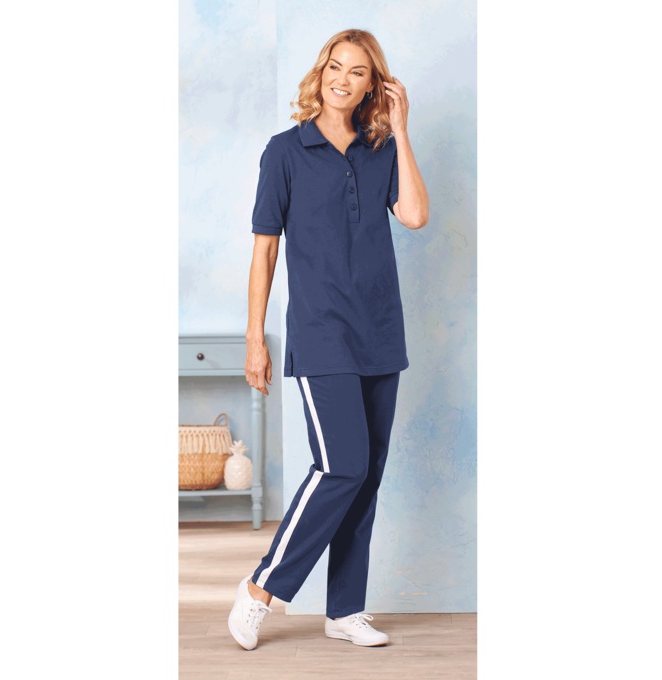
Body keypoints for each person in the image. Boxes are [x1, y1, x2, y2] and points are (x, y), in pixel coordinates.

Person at [228, 28, 429, 651]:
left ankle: (344, 610)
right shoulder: (285, 152)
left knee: (366, 475)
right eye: (336, 67)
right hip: (321, 335)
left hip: (381, 332)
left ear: (374, 85)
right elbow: (265, 252)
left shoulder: (380, 148)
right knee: (342, 465)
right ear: (321, 73)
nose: (344, 79)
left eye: (358, 71)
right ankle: (261, 588)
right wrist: (255, 338)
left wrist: (401, 130)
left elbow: (415, 215)